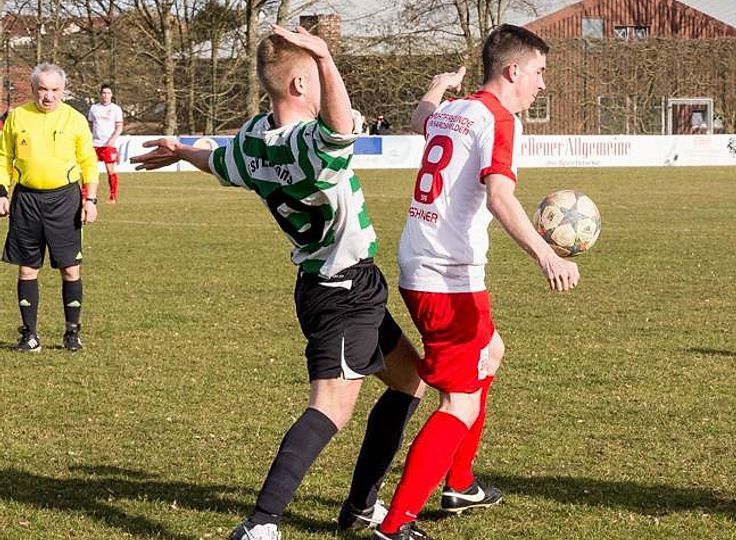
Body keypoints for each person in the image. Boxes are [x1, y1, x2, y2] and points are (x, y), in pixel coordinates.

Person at [131, 25, 426, 540]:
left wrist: (181, 151)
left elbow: (218, 161)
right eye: (318, 77)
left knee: (410, 380)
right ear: (299, 84)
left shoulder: (252, 140)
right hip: (340, 289)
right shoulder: (310, 145)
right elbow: (340, 128)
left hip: (342, 285)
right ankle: (261, 524)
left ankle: (361, 504)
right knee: (330, 407)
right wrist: (325, 57)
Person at [374, 24, 580, 540]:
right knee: (459, 402)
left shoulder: (455, 110)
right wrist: (546, 255)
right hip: (446, 278)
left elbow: (420, 118)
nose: (542, 83)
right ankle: (395, 525)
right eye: (538, 72)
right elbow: (500, 197)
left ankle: (460, 483)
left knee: (492, 350)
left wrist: (438, 85)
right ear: (513, 71)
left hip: (429, 265)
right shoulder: (500, 120)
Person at [0, 63, 99, 353]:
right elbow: (4, 157)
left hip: (64, 201)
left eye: (55, 89)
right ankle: (30, 336)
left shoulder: (75, 119)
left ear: (63, 90)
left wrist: (90, 199)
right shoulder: (17, 117)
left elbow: (88, 161)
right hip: (27, 200)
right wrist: (2, 192)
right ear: (33, 89)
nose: (48, 96)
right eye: (43, 89)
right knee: (27, 268)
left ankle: (72, 333)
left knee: (70, 268)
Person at [87, 83, 124, 203]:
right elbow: (90, 124)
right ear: (100, 94)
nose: (106, 95)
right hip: (95, 144)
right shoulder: (94, 108)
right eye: (103, 93)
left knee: (110, 171)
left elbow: (119, 127)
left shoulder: (116, 109)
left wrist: (112, 139)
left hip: (108, 146)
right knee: (90, 171)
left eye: (108, 93)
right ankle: (87, 196)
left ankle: (113, 196)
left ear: (111, 95)